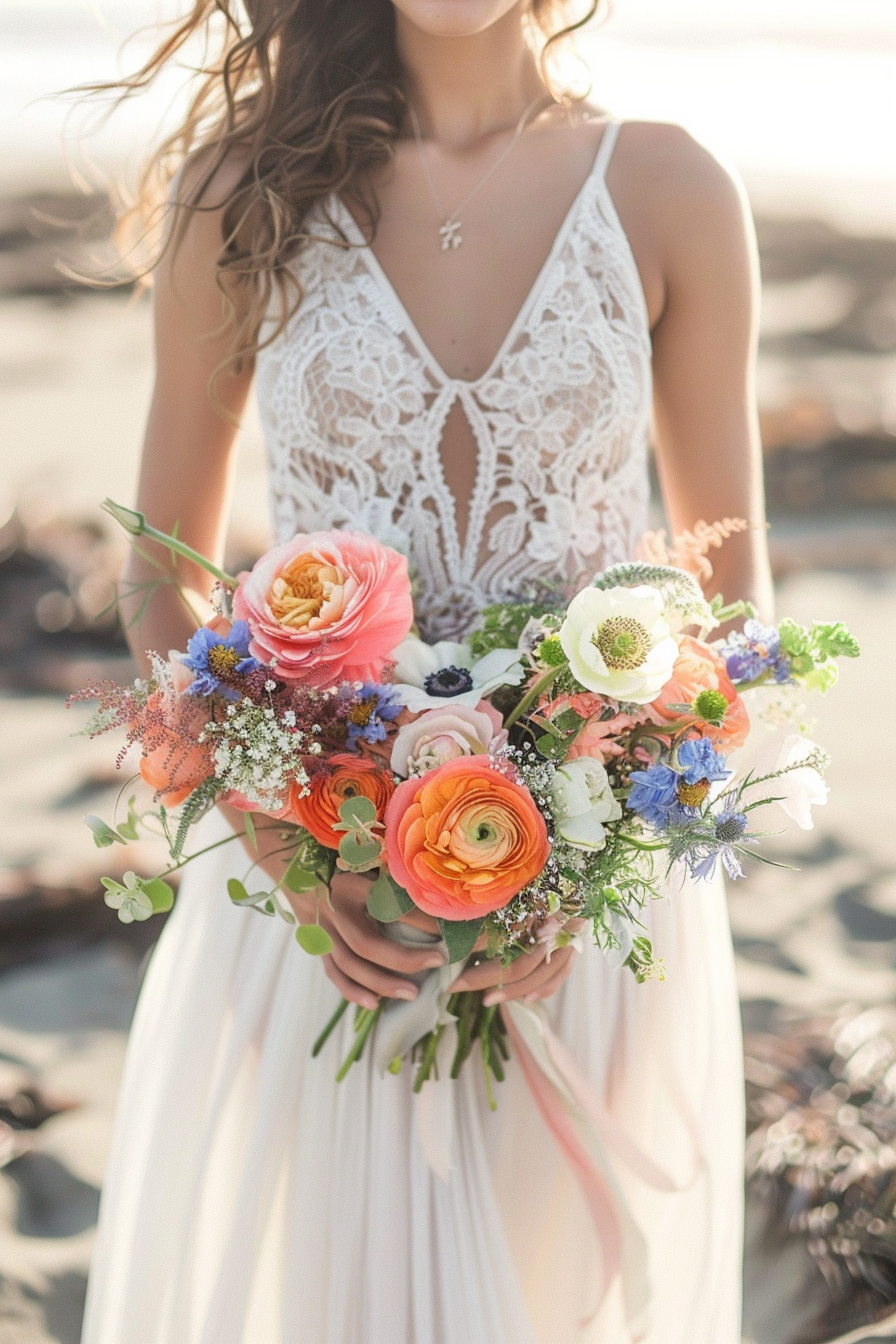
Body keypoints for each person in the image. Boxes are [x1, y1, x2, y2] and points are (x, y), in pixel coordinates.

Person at [80, 1, 773, 1340]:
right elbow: (158, 574)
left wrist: (603, 860)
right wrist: (279, 840)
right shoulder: (246, 194)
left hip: (591, 923)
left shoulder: (672, 187)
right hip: (325, 902)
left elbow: (735, 607)